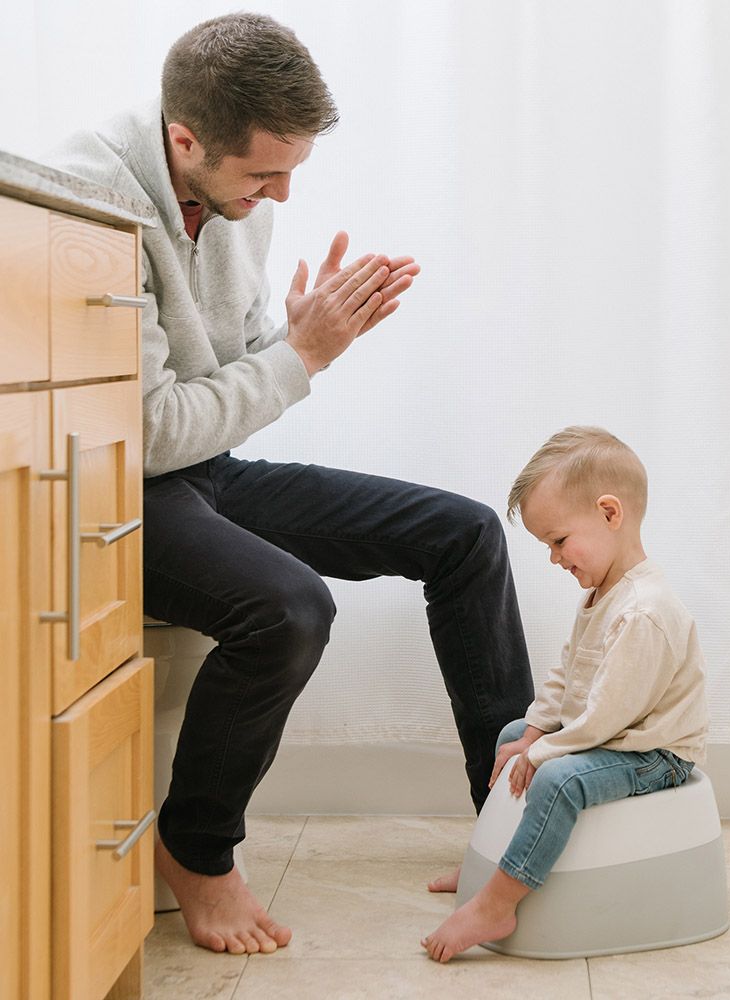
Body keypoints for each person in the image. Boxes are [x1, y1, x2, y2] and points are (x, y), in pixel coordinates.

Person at [46, 13, 534, 957]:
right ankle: (196, 851)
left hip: (200, 472)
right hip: (113, 489)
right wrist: (301, 358)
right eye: (265, 174)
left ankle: (506, 817)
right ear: (184, 139)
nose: (280, 194)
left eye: (293, 170)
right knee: (290, 609)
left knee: (465, 533)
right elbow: (143, 433)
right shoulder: (88, 201)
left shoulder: (236, 201)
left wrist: (293, 342)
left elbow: (218, 389)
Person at [422, 426, 710, 963]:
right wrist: (532, 733)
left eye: (558, 541)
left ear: (609, 513)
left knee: (556, 777)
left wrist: (542, 752)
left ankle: (498, 901)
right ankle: (497, 855)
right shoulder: (602, 593)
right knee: (510, 733)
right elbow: (566, 679)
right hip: (614, 735)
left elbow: (606, 717)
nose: (555, 558)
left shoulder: (645, 611)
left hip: (653, 753)